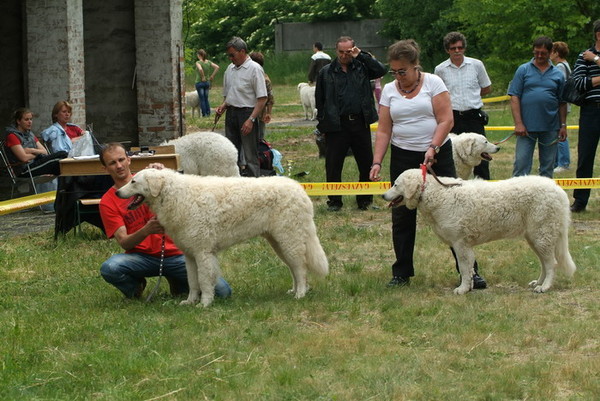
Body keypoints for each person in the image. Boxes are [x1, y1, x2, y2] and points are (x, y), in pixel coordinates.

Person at [369, 39, 487, 289]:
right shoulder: (390, 90)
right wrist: (377, 161)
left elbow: (446, 120)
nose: (399, 77)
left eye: (403, 71)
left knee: (456, 214)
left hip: (437, 153)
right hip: (403, 155)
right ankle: (401, 272)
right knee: (401, 215)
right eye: (394, 72)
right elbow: (383, 130)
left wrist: (433, 147)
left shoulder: (434, 83)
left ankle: (470, 273)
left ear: (415, 66)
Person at [98, 142, 232, 300]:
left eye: (121, 160)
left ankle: (178, 282)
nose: (119, 166)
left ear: (129, 160)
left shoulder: (153, 178)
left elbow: (185, 190)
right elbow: (124, 242)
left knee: (223, 293)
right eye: (112, 163)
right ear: (105, 168)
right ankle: (136, 287)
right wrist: (146, 230)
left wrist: (165, 174)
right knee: (110, 267)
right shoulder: (108, 201)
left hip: (177, 254)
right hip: (141, 258)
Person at [315, 36, 386, 211]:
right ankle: (334, 201)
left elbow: (381, 70)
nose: (345, 55)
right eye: (341, 52)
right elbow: (320, 101)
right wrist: (324, 124)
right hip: (336, 125)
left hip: (360, 122)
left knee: (366, 163)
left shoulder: (362, 66)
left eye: (349, 51)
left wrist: (361, 55)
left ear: (354, 50)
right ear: (336, 51)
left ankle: (365, 200)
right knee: (333, 164)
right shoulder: (326, 72)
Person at [434, 31, 492, 179]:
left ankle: (483, 188)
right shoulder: (440, 69)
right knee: (450, 155)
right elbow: (437, 94)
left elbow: (486, 87)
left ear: (464, 48)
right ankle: (453, 186)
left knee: (481, 154)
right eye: (453, 48)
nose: (457, 51)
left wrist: (471, 96)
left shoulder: (476, 65)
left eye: (460, 47)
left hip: (473, 116)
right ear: (447, 50)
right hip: (451, 117)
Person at [508, 36, 567, 178]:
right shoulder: (523, 70)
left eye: (543, 53)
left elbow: (562, 102)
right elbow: (514, 97)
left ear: (551, 52)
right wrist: (518, 123)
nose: (539, 56)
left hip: (550, 127)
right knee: (521, 165)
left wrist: (563, 125)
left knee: (547, 167)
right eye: (536, 52)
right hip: (526, 128)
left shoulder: (558, 74)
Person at [216, 37, 267, 178]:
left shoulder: (255, 69)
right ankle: (234, 184)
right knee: (231, 154)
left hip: (247, 113)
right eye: (229, 55)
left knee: (250, 155)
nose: (230, 58)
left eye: (233, 55)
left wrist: (251, 119)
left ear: (242, 51)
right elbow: (229, 94)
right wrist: (223, 106)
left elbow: (262, 98)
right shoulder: (230, 69)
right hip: (231, 113)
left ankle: (253, 185)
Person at [570, 19, 600, 213]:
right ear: (597, 34)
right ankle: (580, 201)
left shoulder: (592, 58)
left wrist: (596, 61)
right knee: (585, 156)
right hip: (591, 109)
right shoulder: (584, 56)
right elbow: (579, 83)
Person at [3, 108, 67, 177]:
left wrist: (31, 150)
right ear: (18, 121)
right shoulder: (12, 136)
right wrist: (37, 154)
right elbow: (24, 158)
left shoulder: (30, 134)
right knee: (60, 160)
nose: (30, 122)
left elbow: (45, 152)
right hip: (24, 170)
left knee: (62, 155)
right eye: (26, 119)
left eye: (31, 119)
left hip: (35, 164)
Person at [550, 41, 572, 174]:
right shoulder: (566, 65)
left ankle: (563, 162)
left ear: (556, 53)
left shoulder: (559, 67)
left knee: (560, 132)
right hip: (566, 103)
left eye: (551, 52)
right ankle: (559, 161)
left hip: (561, 105)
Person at [249, 51, 274, 141]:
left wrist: (268, 113)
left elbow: (270, 98)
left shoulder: (264, 79)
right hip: (260, 113)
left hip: (257, 113)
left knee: (258, 138)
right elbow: (270, 97)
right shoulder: (266, 78)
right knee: (259, 137)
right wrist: (269, 112)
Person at [194, 49, 220, 117]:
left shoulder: (198, 62)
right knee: (206, 98)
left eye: (198, 55)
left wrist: (202, 77)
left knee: (202, 99)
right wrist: (212, 76)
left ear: (199, 55)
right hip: (207, 83)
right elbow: (217, 67)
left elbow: (200, 69)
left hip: (199, 82)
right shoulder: (208, 62)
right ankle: (208, 113)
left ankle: (204, 114)